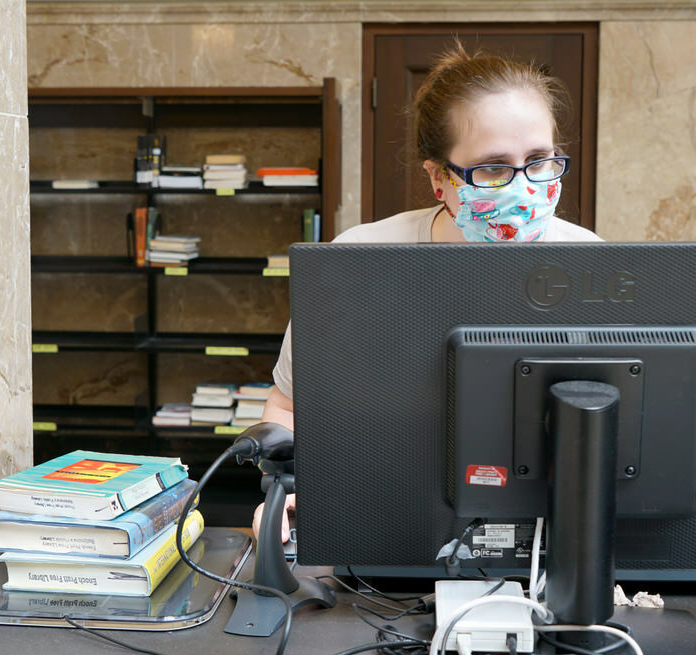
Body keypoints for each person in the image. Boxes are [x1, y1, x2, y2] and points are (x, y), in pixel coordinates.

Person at [253, 41, 602, 541]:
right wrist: (282, 490)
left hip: (556, 540)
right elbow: (288, 408)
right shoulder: (358, 262)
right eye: (494, 168)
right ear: (439, 179)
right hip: (378, 530)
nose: (524, 187)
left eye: (541, 161)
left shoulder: (594, 266)